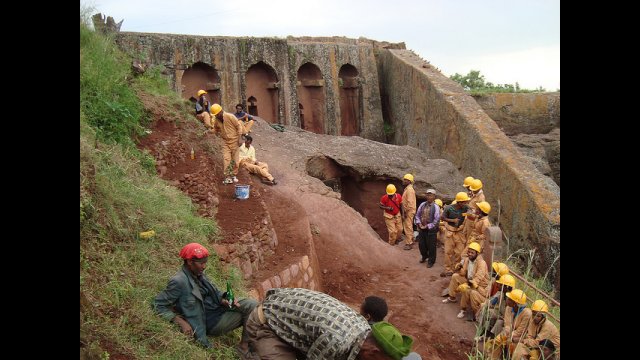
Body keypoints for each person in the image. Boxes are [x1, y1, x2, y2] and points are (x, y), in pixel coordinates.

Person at [243, 288, 413, 359]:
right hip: (266, 323)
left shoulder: (363, 327)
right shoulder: (337, 341)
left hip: (284, 317)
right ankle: (248, 350)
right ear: (373, 351)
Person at [153, 243, 258, 349]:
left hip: (218, 308)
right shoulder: (179, 282)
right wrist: (180, 322)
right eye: (201, 263)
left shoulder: (198, 274)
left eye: (205, 263)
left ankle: (244, 344)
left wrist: (223, 299)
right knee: (251, 314)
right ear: (190, 262)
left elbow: (215, 292)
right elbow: (158, 304)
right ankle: (244, 347)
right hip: (210, 321)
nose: (204, 266)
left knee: (253, 305)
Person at [442, 242, 490, 321]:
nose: (470, 254)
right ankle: (452, 297)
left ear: (477, 253)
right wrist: (459, 267)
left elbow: (478, 278)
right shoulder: (467, 259)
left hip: (478, 285)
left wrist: (467, 285)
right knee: (455, 276)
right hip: (468, 279)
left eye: (472, 253)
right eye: (469, 252)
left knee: (466, 289)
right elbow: (463, 273)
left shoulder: (481, 263)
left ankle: (463, 309)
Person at [483, 289, 532, 360]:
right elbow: (507, 324)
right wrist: (507, 334)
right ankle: (492, 357)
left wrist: (510, 336)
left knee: (510, 344)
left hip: (519, 337)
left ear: (515, 303)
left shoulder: (527, 314)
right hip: (508, 332)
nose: (507, 300)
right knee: (496, 341)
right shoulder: (508, 308)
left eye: (509, 299)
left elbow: (521, 331)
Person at [474, 274, 515, 342]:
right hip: (500, 313)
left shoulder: (512, 298)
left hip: (507, 319)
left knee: (499, 322)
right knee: (487, 311)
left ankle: (490, 337)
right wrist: (485, 305)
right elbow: (491, 302)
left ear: (507, 287)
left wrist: (503, 317)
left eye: (501, 285)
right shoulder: (501, 293)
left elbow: (510, 317)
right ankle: (482, 332)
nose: (499, 286)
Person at [211, 103, 244, 184]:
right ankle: (227, 176)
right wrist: (209, 132)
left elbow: (238, 126)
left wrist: (239, 139)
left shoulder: (230, 116)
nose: (216, 116)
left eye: (217, 114)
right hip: (225, 142)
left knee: (235, 161)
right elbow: (215, 129)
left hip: (235, 141)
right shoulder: (217, 120)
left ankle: (233, 175)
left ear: (221, 111)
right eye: (215, 115)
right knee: (226, 160)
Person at [440, 192, 470, 276]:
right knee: (448, 252)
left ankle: (456, 268)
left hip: (460, 232)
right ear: (459, 202)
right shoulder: (449, 208)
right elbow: (442, 218)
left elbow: (473, 211)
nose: (465, 203)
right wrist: (452, 220)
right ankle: (448, 269)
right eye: (464, 202)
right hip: (450, 231)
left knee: (460, 252)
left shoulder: (466, 208)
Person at [414, 189, 440, 267]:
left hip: (431, 230)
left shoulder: (436, 207)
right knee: (422, 245)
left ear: (434, 197)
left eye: (430, 195)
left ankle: (431, 261)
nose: (428, 197)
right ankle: (424, 256)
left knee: (431, 246)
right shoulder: (422, 204)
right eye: (427, 195)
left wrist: (428, 226)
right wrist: (419, 223)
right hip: (422, 228)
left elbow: (436, 220)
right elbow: (417, 215)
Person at [401, 174, 417, 250]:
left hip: (409, 211)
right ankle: (411, 240)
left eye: (405, 179)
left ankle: (409, 243)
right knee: (408, 226)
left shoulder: (410, 190)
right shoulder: (408, 189)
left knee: (408, 226)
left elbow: (410, 203)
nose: (403, 181)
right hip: (409, 210)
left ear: (409, 181)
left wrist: (405, 213)